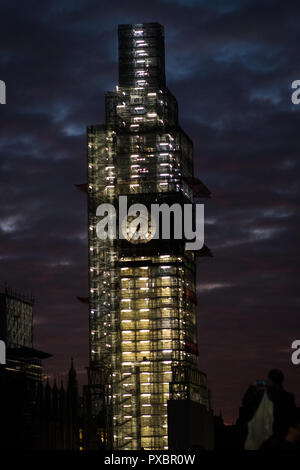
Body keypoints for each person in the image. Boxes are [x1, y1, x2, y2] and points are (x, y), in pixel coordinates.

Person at [241, 369, 296, 449]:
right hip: (282, 440)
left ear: (270, 381)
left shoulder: (263, 396)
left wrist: (253, 386)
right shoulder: (289, 397)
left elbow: (245, 402)